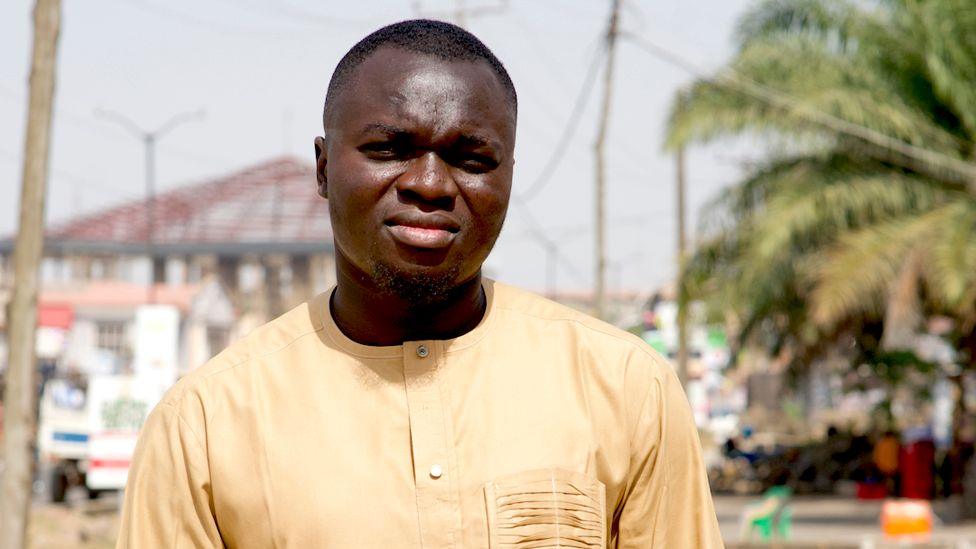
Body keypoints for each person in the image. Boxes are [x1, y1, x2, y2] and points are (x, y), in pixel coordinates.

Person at [116, 20, 722, 548]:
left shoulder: (624, 388)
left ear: (509, 176)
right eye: (389, 148)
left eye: (471, 159)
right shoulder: (204, 425)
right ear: (324, 168)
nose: (430, 184)